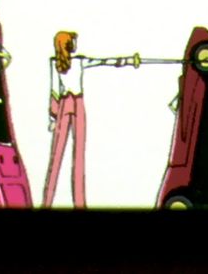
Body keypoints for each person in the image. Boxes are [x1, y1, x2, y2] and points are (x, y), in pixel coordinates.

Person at [43, 30, 140, 209]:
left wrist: (127, 60)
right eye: (73, 41)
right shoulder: (58, 63)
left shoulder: (77, 61)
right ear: (68, 44)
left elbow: (104, 62)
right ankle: (47, 203)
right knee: (58, 156)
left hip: (76, 105)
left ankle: (79, 204)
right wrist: (53, 117)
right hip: (67, 104)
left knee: (76, 156)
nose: (76, 44)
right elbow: (55, 90)